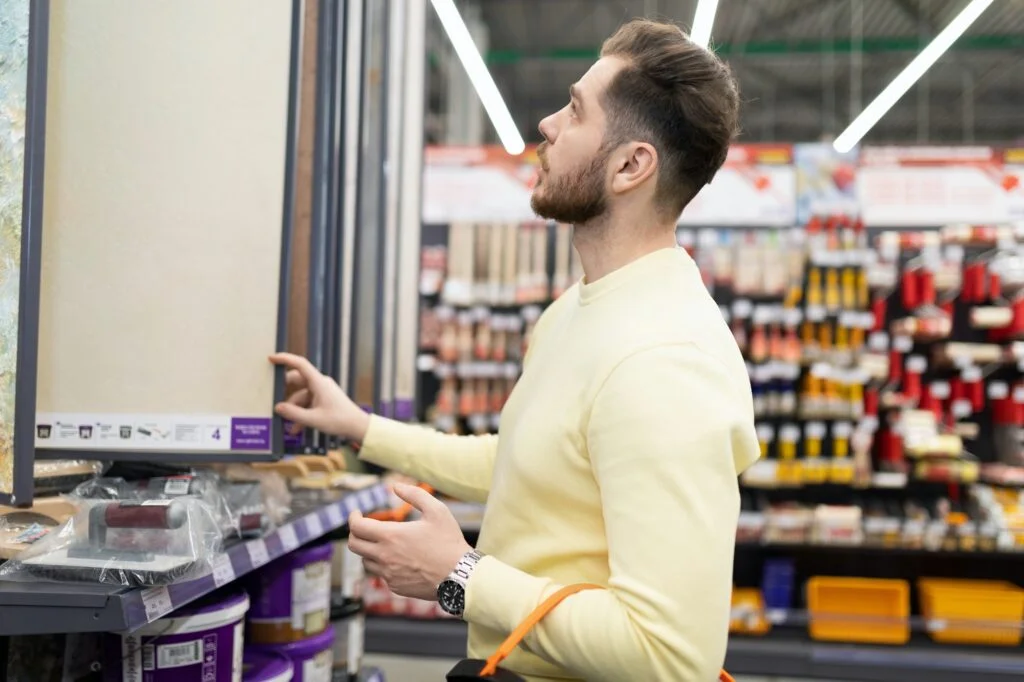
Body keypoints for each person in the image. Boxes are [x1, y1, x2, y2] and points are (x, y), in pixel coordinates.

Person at [271, 18, 758, 682]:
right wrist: (360, 427)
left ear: (630, 165)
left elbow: (671, 656)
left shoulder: (665, 360)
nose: (547, 125)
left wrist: (461, 574)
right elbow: (529, 459)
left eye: (576, 111)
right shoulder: (577, 310)